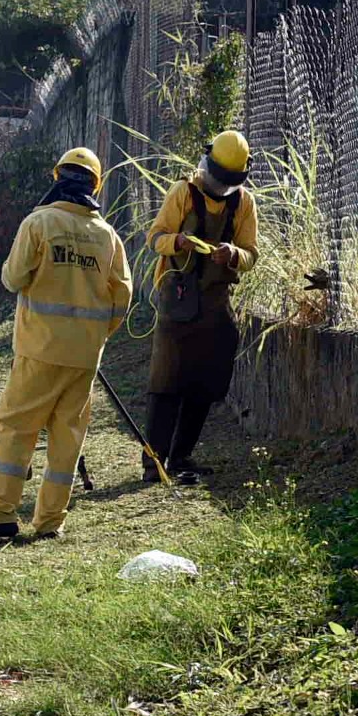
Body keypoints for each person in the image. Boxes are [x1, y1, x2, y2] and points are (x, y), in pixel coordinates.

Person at [0, 147, 132, 543]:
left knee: (17, 429)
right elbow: (123, 296)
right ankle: (50, 521)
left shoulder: (39, 223)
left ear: (57, 179)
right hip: (84, 357)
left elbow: (14, 279)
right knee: (68, 437)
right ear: (95, 186)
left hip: (39, 350)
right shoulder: (107, 236)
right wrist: (97, 336)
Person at [143, 129, 257, 483]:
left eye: (228, 183)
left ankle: (181, 456)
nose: (221, 188)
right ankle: (154, 463)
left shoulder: (244, 203)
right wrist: (177, 241)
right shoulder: (183, 193)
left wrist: (233, 254)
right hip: (176, 297)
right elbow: (154, 238)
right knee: (166, 380)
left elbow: (252, 253)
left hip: (215, 301)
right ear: (206, 165)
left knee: (204, 380)